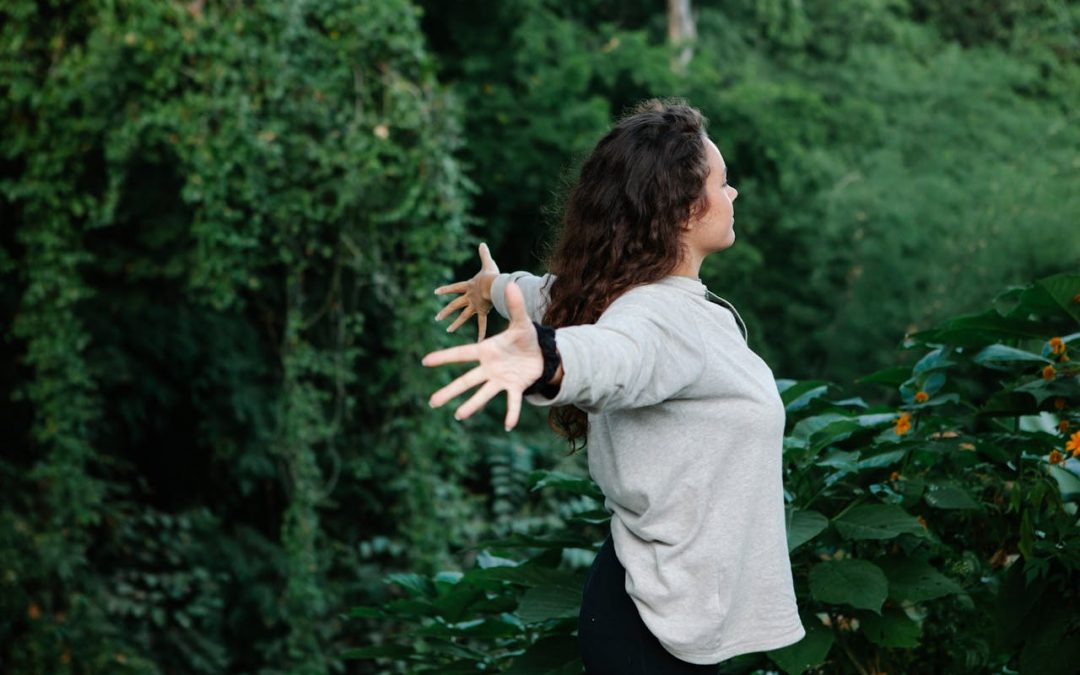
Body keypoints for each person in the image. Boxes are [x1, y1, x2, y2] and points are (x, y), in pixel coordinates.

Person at [423, 99, 805, 673]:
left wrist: (496, 287)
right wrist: (548, 359)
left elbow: (551, 293)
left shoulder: (616, 293)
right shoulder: (659, 320)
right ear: (682, 212)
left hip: (645, 604)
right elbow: (614, 357)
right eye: (723, 184)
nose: (733, 196)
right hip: (649, 630)